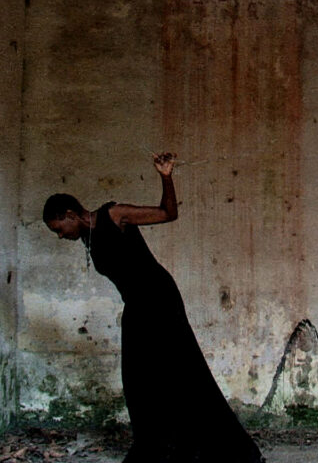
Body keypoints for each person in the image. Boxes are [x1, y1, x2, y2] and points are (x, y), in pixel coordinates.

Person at [43, 153, 264, 463]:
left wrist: (166, 176)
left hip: (159, 298)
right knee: (138, 379)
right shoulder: (87, 237)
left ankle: (231, 452)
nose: (60, 236)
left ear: (69, 213)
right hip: (137, 305)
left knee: (184, 371)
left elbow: (167, 213)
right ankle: (158, 447)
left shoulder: (114, 215)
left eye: (58, 228)